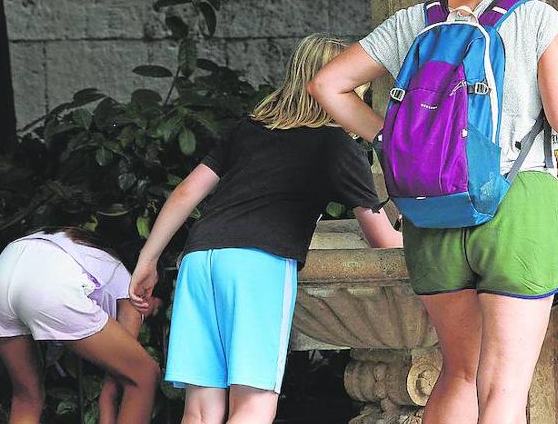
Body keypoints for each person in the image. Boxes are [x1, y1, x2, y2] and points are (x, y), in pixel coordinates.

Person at [308, 0, 558, 424]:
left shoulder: (417, 20)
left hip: (429, 205)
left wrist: (387, 137)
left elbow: (327, 84)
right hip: (515, 200)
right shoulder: (537, 19)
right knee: (505, 385)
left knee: (459, 371)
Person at [129, 34, 401, 424]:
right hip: (258, 267)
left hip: (200, 258)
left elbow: (188, 190)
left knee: (202, 410)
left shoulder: (248, 128)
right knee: (253, 405)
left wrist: (148, 259)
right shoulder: (336, 144)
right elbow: (382, 240)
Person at [0, 226, 160, 424]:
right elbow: (118, 380)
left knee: (26, 398)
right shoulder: (127, 283)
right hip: (50, 289)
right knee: (144, 376)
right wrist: (106, 403)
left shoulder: (74, 249)